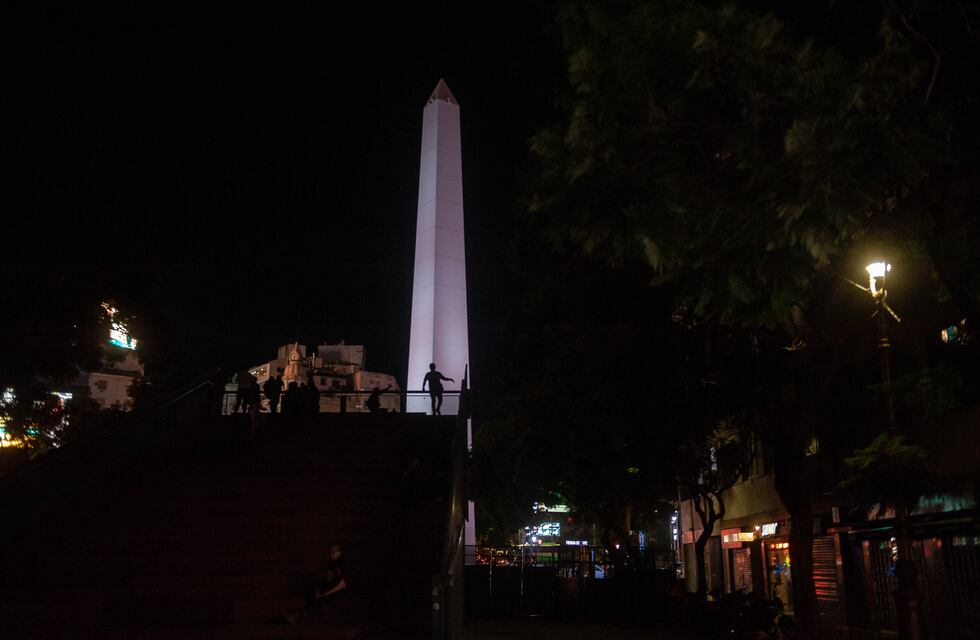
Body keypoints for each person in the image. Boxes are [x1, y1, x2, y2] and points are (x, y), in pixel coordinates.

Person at [282, 543, 348, 624]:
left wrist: (327, 593)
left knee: (321, 600)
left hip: (339, 590)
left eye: (334, 552)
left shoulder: (342, 564)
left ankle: (296, 616)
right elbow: (327, 579)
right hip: (329, 588)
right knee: (311, 594)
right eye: (331, 552)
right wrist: (318, 589)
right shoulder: (332, 564)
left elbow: (343, 584)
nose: (332, 554)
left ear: (340, 552)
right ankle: (301, 614)